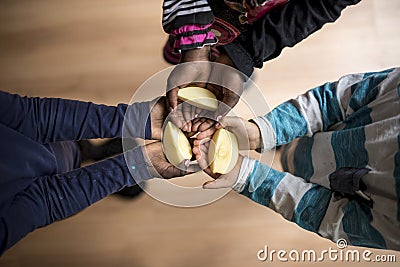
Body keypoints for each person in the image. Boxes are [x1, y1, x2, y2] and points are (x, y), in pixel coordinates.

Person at [193, 67, 400, 250]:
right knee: (292, 146)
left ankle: (284, 150)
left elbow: (329, 217)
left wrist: (249, 177)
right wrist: (264, 131)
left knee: (292, 163)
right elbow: (336, 100)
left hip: (328, 186)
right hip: (325, 130)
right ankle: (281, 144)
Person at [0, 92, 197, 255]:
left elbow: (27, 116)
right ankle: (89, 154)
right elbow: (45, 202)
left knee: (65, 151)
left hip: (41, 149)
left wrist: (134, 121)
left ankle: (88, 153)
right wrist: (134, 166)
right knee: (65, 158)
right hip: (39, 175)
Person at [163, 0, 362, 132]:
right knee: (184, 59)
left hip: (249, 36)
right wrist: (193, 42)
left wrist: (242, 57)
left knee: (230, 72)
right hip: (194, 16)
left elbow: (319, 5)